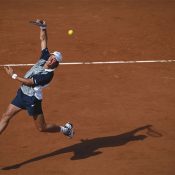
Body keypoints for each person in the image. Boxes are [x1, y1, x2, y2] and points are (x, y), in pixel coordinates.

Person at [0, 19, 74, 138]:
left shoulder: (48, 75)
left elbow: (29, 82)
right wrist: (43, 27)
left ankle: (65, 129)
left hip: (32, 100)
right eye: (52, 56)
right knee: (6, 115)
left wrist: (13, 75)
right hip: (22, 94)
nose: (52, 59)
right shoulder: (45, 57)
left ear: (56, 64)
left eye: (55, 60)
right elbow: (43, 40)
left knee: (41, 127)